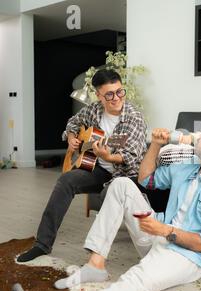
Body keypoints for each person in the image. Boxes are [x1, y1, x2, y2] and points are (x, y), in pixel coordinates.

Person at [52, 120, 201, 291]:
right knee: (121, 184)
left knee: (136, 279)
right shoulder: (187, 167)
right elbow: (145, 180)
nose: (198, 137)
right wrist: (156, 145)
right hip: (158, 235)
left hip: (187, 256)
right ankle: (96, 265)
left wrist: (166, 231)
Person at [17, 69, 148, 263]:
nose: (116, 98)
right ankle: (42, 244)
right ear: (99, 96)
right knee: (66, 180)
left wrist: (108, 155)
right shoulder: (93, 110)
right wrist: (71, 138)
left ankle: (96, 259)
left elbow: (129, 157)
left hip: (125, 175)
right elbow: (73, 123)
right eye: (109, 94)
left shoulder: (134, 118)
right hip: (98, 168)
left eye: (120, 91)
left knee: (108, 195)